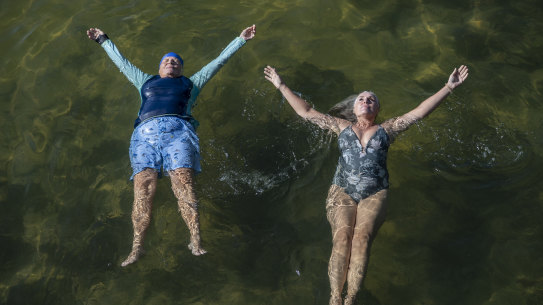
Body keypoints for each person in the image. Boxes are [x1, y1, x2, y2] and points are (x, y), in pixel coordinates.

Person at [264, 65, 468, 305]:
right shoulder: (340, 126)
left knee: (361, 240)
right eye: (361, 98)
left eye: (372, 99)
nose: (366, 101)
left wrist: (448, 87)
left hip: (376, 192)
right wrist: (281, 85)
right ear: (354, 108)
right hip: (342, 190)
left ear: (377, 109)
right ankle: (334, 298)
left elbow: (420, 112)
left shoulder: (388, 129)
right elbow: (307, 112)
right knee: (341, 239)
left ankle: (351, 298)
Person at [86, 24, 256, 267]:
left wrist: (240, 40)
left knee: (183, 181)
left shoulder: (191, 83)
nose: (171, 62)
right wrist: (103, 39)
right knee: (143, 186)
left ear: (182, 68)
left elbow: (217, 62)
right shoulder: (145, 81)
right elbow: (122, 62)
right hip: (144, 136)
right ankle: (137, 247)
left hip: (179, 133)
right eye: (167, 60)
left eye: (176, 61)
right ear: (159, 67)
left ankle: (195, 239)